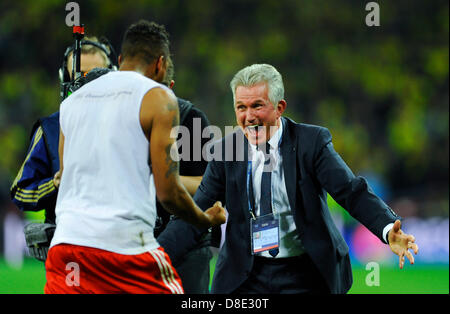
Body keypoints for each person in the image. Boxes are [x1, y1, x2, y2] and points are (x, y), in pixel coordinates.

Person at [157, 63, 419, 294]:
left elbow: (350, 191)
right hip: (247, 275)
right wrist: (153, 258)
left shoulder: (311, 143)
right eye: (241, 107)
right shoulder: (226, 151)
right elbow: (194, 214)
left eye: (257, 105)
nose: (249, 117)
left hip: (305, 271)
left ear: (279, 107)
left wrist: (387, 229)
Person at [44, 20, 226, 294]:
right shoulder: (159, 98)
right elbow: (168, 194)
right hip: (123, 248)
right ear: (161, 64)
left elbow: (66, 176)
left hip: (67, 247)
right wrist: (204, 219)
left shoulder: (72, 102)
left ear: (119, 60)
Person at [10, 36, 116, 261]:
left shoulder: (135, 124)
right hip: (70, 256)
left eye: (97, 74)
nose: (87, 83)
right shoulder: (50, 130)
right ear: (65, 78)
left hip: (121, 252)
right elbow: (20, 191)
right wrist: (54, 184)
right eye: (80, 76)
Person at [155, 56, 214, 294]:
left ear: (169, 88)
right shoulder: (120, 120)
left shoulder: (191, 120)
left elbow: (209, 185)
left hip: (186, 246)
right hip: (131, 242)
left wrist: (162, 179)